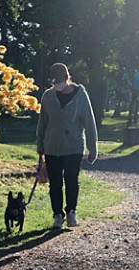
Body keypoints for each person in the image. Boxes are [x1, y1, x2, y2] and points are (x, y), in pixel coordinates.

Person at [36, 63, 98, 228]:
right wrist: (40, 146)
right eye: (53, 82)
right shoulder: (48, 96)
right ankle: (57, 215)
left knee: (71, 181)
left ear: (67, 78)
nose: (56, 86)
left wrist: (93, 149)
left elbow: (89, 123)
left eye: (59, 82)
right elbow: (42, 123)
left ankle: (71, 212)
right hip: (52, 147)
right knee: (55, 183)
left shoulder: (81, 96)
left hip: (73, 147)